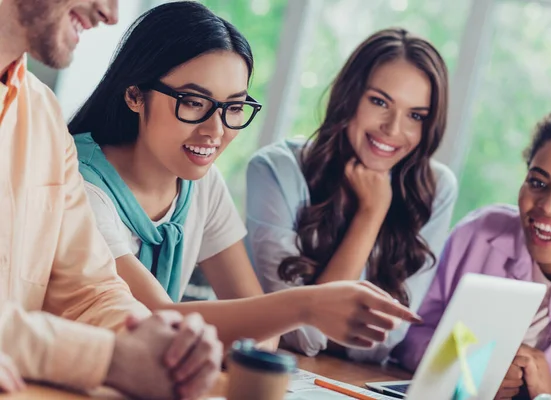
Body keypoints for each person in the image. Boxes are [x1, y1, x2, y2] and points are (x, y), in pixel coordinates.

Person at [68, 1, 422, 353]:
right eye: (193, 102)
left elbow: (264, 336)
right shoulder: (78, 182)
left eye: (234, 108)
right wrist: (306, 305)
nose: (215, 130)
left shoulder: (201, 183)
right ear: (134, 95)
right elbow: (160, 321)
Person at [0, 1, 223, 399]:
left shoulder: (43, 117)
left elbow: (90, 288)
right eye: (193, 102)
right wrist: (106, 358)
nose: (110, 13)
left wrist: (164, 347)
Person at [246, 28, 457, 361]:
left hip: (357, 382)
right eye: (379, 102)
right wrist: (370, 214)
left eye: (416, 116)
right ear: (349, 97)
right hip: (270, 371)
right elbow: (304, 333)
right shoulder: (276, 170)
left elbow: (384, 338)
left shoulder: (435, 188)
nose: (393, 129)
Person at [394, 103, 551, 397]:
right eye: (538, 182)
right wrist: (469, 367)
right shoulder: (477, 235)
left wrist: (549, 395)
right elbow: (410, 332)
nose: (548, 206)